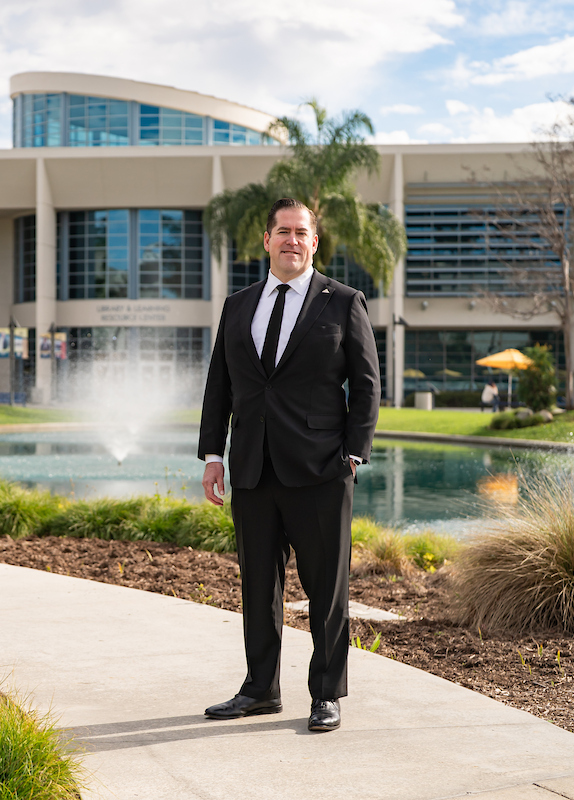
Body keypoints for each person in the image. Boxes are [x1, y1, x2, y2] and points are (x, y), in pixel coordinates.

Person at [198, 198, 380, 733]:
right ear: (266, 239)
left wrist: (353, 452)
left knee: (326, 589)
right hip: (253, 469)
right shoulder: (238, 305)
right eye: (282, 231)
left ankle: (326, 693)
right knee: (258, 586)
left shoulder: (344, 302)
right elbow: (220, 387)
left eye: (301, 232)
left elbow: (366, 385)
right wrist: (214, 455)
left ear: (315, 242)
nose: (292, 240)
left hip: (321, 469)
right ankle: (260, 690)